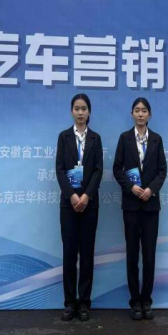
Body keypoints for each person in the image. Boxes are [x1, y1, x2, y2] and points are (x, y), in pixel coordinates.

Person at [113, 97, 167, 321]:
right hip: (132, 206)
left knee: (149, 256)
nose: (141, 114)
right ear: (132, 114)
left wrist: (151, 189)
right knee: (132, 255)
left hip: (151, 206)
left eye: (144, 110)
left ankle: (147, 301)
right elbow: (117, 169)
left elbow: (162, 170)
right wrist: (132, 187)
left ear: (150, 115)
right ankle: (135, 301)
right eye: (137, 110)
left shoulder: (156, 139)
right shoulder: (124, 138)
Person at [55, 94, 103, 322]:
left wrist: (85, 196)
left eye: (84, 108)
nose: (80, 112)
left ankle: (84, 303)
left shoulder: (95, 138)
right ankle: (69, 303)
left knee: (86, 254)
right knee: (69, 253)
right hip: (69, 204)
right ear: (71, 111)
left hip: (89, 204)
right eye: (77, 108)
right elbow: (60, 170)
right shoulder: (64, 137)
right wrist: (73, 196)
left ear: (89, 112)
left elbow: (98, 171)